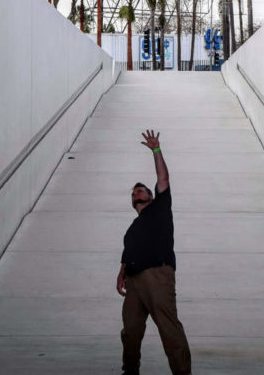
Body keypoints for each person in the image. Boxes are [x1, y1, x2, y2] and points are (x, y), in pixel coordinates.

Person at [116, 129, 192, 375]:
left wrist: (156, 150)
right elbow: (128, 253)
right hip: (134, 281)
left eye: (140, 190)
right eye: (132, 192)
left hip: (158, 275)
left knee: (169, 330)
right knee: (131, 332)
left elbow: (163, 178)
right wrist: (121, 273)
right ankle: (130, 370)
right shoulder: (132, 229)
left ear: (150, 196)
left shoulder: (160, 207)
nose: (135, 193)